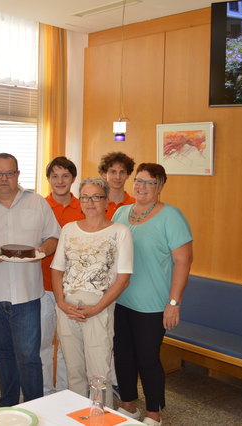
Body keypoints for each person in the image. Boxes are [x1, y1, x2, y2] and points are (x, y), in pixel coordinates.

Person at [113, 163, 193, 426]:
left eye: (149, 182)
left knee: (147, 358)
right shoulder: (122, 212)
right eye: (138, 180)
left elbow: (183, 261)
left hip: (152, 305)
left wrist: (173, 302)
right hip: (120, 300)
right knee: (123, 354)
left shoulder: (171, 216)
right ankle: (128, 405)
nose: (142, 186)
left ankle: (153, 413)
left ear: (160, 186)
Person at [0, 153, 60, 407]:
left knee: (29, 356)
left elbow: (53, 237)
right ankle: (8, 409)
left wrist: (42, 251)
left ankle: (35, 408)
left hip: (28, 295)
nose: (4, 178)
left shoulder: (37, 203)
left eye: (9, 173)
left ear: (17, 174)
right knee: (3, 355)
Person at [51, 177, 133, 409]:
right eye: (85, 197)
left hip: (98, 309)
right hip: (67, 308)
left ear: (106, 201)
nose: (90, 202)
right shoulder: (69, 229)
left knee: (98, 375)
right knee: (74, 371)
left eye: (96, 197)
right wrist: (61, 302)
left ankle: (101, 419)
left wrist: (97, 308)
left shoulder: (120, 232)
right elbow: (57, 270)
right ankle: (76, 417)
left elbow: (123, 278)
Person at [40, 156, 85, 394]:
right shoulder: (39, 206)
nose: (60, 181)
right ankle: (46, 393)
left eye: (65, 176)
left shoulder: (84, 207)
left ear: (73, 179)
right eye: (55, 176)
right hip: (44, 286)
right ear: (48, 179)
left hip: (75, 289)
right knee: (43, 344)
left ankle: (67, 394)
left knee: (70, 346)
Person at [98, 152, 135, 220]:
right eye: (113, 172)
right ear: (104, 174)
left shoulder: (135, 204)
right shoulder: (96, 204)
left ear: (128, 175)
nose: (118, 177)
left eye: (122, 172)